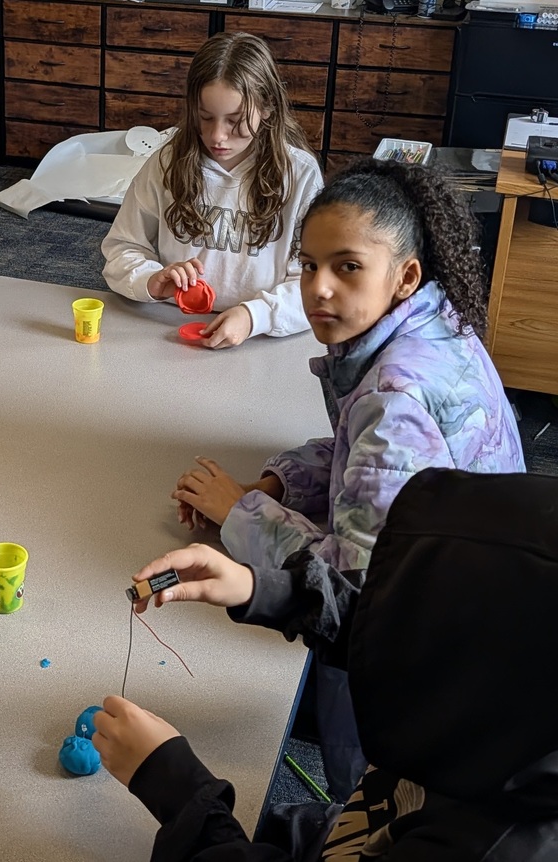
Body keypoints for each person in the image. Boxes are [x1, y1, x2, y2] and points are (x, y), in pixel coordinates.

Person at [169, 158, 525, 798]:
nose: (319, 288)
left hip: (439, 644)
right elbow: (353, 453)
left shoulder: (396, 399)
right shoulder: (429, 324)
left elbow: (348, 587)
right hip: (492, 577)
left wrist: (239, 511)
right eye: (308, 265)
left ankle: (349, 800)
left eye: (347, 266)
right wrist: (279, 482)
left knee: (357, 784)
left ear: (405, 275)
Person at [95, 469, 558, 860]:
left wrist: (178, 792)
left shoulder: (488, 848)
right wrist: (260, 588)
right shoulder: (515, 690)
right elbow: (404, 626)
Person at [100, 33, 323, 349]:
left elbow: (316, 284)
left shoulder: (299, 176)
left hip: (263, 337)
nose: (217, 136)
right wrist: (151, 280)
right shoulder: (167, 163)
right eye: (205, 118)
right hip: (168, 329)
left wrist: (253, 316)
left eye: (235, 121)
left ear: (268, 108)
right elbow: (122, 247)